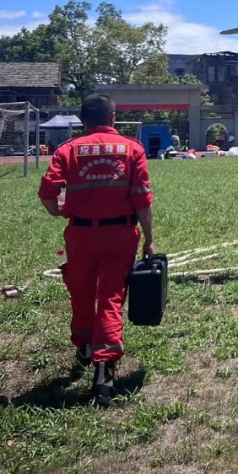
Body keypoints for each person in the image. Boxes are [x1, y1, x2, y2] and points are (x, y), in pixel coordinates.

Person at [38, 93, 155, 408]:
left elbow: (48, 191)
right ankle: (104, 370)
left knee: (81, 292)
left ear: (82, 120)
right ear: (113, 118)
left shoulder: (68, 150)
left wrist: (59, 210)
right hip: (120, 234)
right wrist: (150, 239)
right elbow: (142, 199)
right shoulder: (132, 149)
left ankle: (85, 346)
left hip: (80, 234)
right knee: (111, 297)